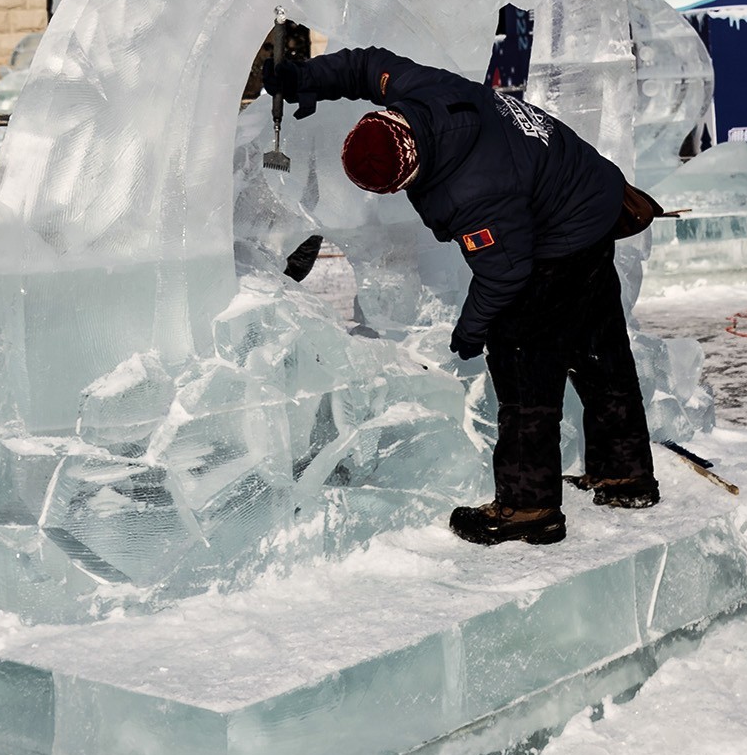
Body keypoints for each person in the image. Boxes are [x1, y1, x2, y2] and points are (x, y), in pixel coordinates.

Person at [264, 45, 658, 547]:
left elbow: (505, 274)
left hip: (565, 232)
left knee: (522, 360)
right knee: (597, 345)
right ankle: (625, 476)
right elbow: (366, 66)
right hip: (587, 189)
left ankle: (528, 507)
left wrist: (472, 329)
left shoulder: (474, 190)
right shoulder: (419, 90)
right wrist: (306, 77)